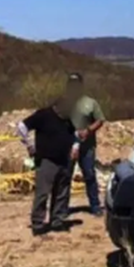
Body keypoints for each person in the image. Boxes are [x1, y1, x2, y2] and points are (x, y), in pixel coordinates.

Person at [18, 97, 79, 235]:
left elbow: (75, 134)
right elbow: (22, 126)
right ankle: (38, 223)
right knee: (43, 193)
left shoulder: (68, 119)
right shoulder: (43, 115)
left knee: (61, 193)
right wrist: (28, 144)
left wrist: (76, 147)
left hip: (64, 160)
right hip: (46, 160)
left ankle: (57, 221)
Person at [65, 73, 106, 217]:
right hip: (68, 147)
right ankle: (62, 208)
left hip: (87, 146)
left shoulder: (90, 103)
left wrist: (89, 130)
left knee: (89, 175)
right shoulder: (64, 103)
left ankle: (95, 206)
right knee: (65, 176)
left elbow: (100, 120)